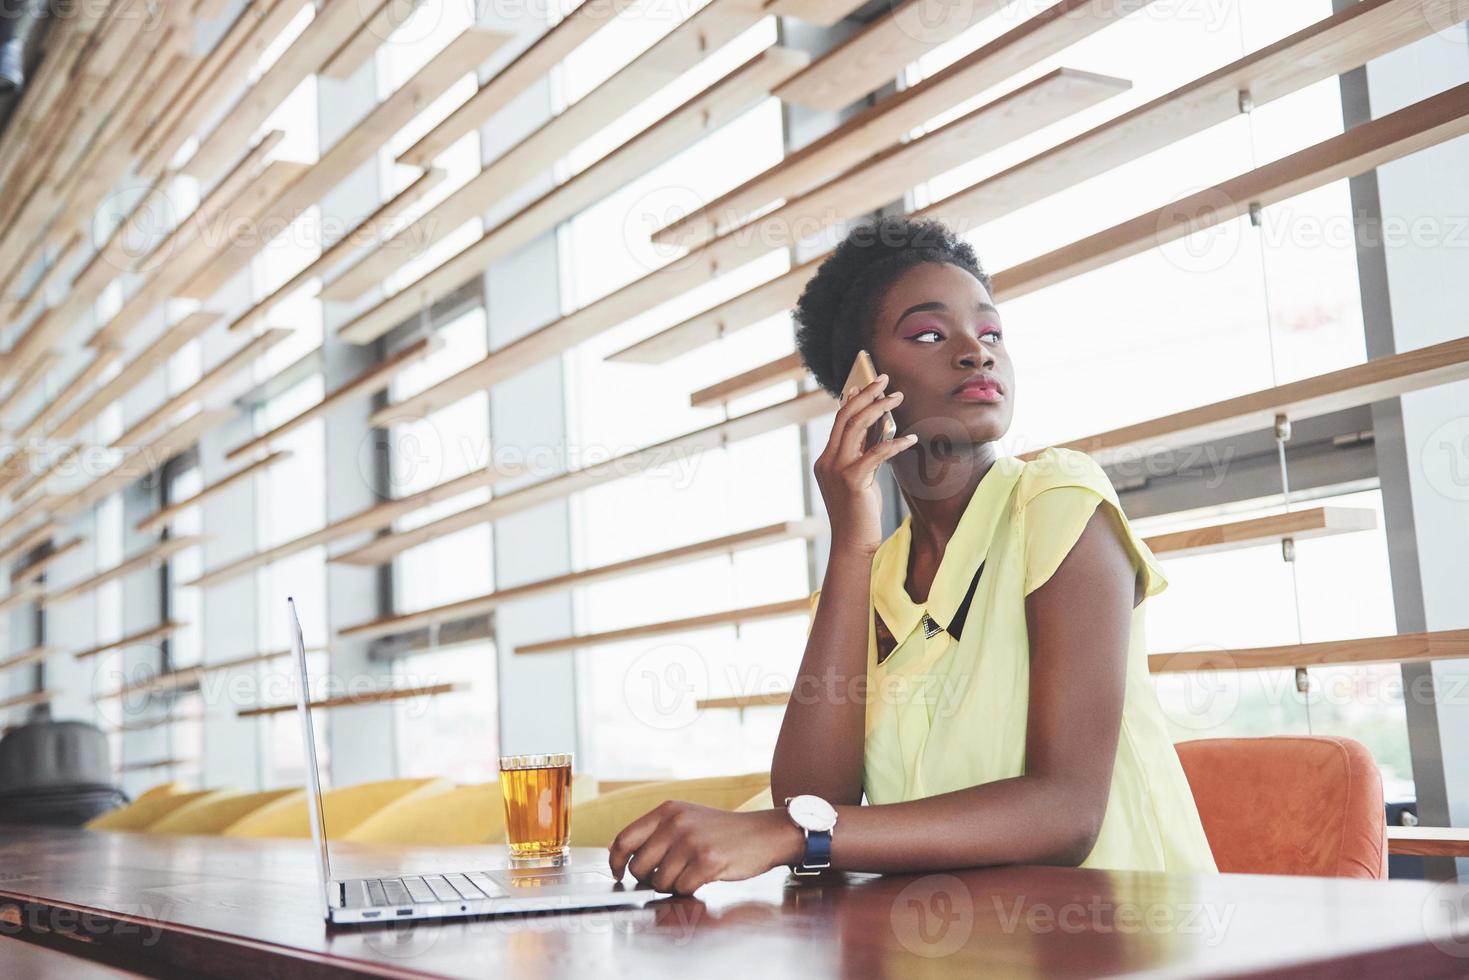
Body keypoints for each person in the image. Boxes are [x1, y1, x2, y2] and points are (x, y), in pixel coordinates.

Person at [609, 216, 1217, 895]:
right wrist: (850, 545)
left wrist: (793, 835)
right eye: (930, 334)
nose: (975, 352)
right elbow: (810, 794)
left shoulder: (1057, 500)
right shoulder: (867, 580)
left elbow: (1066, 812)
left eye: (989, 334)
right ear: (860, 385)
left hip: (1122, 943)